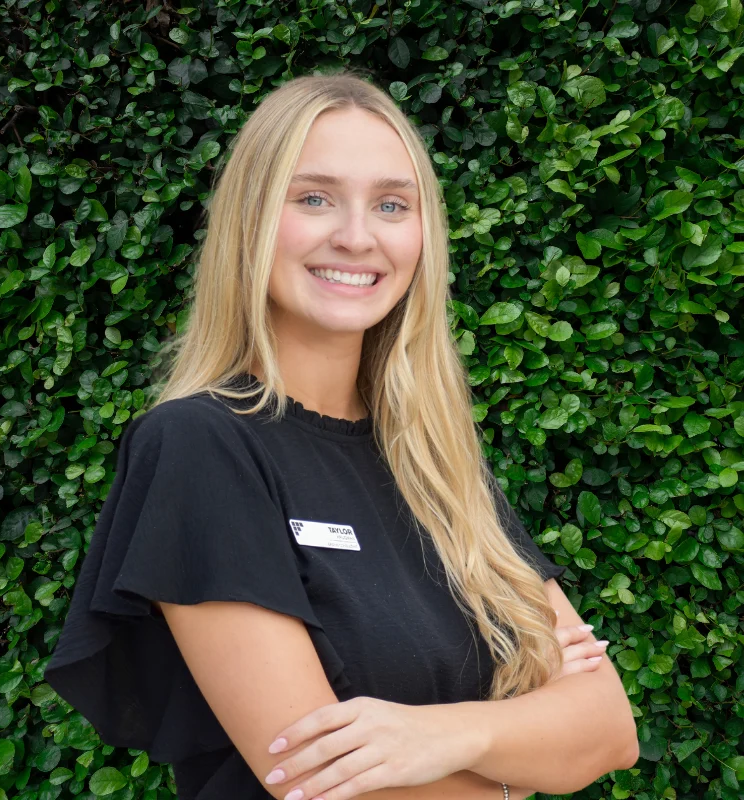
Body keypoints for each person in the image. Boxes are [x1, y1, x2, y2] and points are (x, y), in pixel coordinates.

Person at [43, 70, 638, 800]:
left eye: (392, 204)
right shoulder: (201, 448)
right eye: (314, 198)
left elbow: (609, 730)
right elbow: (314, 776)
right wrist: (524, 764)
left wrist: (440, 737)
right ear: (253, 220)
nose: (357, 238)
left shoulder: (434, 461)